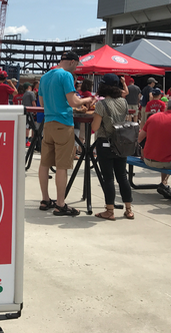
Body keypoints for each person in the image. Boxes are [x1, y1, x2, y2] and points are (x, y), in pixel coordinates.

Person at [38, 51, 95, 215]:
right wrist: (87, 100)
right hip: (63, 123)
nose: (76, 68)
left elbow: (41, 102)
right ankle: (61, 203)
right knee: (62, 166)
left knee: (45, 163)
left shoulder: (45, 77)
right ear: (71, 62)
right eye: (77, 64)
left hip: (48, 122)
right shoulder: (66, 76)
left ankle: (45, 199)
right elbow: (73, 102)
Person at [91, 74, 134, 220]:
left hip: (105, 142)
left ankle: (109, 211)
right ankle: (128, 209)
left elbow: (95, 126)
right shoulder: (123, 102)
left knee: (108, 178)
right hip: (121, 143)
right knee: (122, 176)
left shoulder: (101, 104)